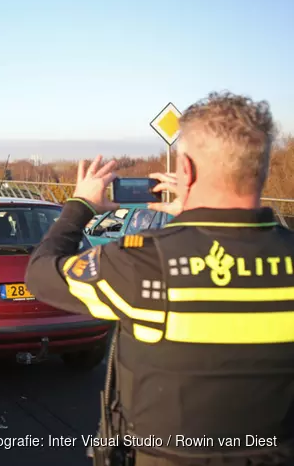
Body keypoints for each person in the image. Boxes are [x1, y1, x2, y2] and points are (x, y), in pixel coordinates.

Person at [24, 91, 294, 466]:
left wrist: (80, 205)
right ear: (261, 168)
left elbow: (41, 274)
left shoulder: (143, 262)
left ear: (186, 169)